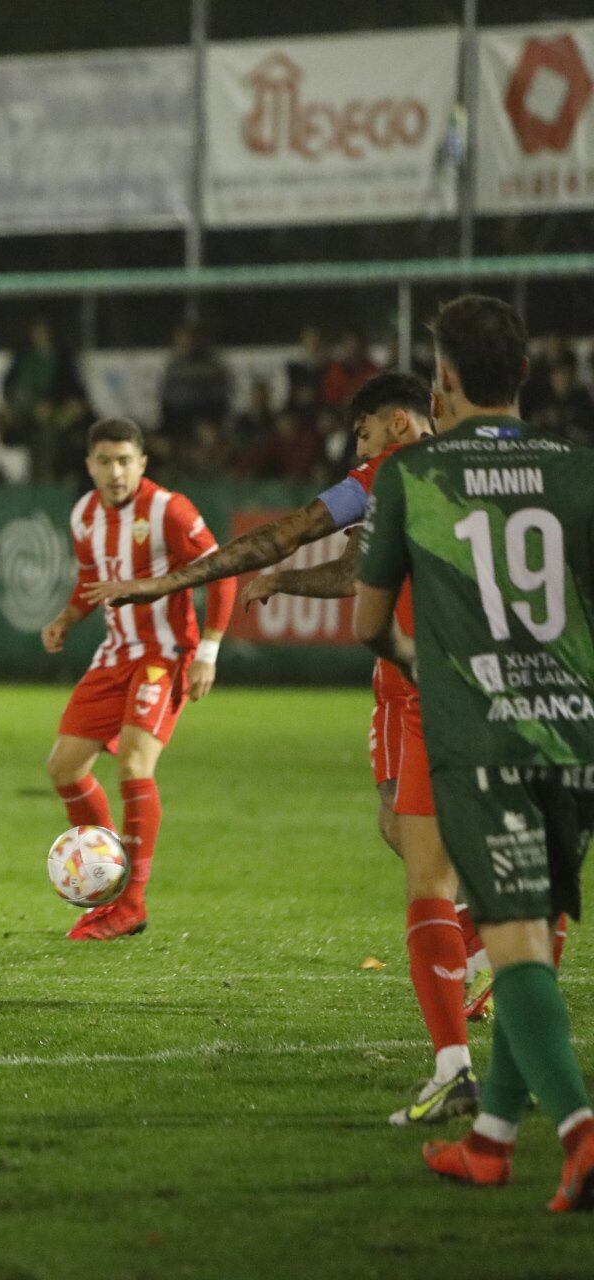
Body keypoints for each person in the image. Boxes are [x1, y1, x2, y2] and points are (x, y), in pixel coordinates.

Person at [86, 372, 500, 1124]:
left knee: (428, 870)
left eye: (364, 431)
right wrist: (287, 581)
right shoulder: (474, 471)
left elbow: (289, 527)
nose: (358, 448)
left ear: (399, 422)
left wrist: (169, 582)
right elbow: (355, 567)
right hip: (439, 678)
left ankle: (466, 1038)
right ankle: (486, 954)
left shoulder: (389, 473)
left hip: (430, 677)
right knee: (398, 827)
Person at [355, 294, 592, 1212]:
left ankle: (578, 1133)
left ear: (445, 380)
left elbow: (373, 623)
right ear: (528, 373)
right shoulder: (577, 471)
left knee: (515, 942)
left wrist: (429, 664)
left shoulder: (412, 476)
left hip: (481, 730)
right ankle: (492, 1139)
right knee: (537, 932)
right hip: (573, 727)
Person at [40, 418, 236, 941]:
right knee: (63, 768)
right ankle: (107, 881)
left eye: (125, 460)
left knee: (133, 762)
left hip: (165, 653)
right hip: (115, 652)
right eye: (104, 461)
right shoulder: (83, 514)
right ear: (89, 466)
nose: (115, 471)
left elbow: (222, 571)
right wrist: (65, 618)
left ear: (142, 464)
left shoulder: (169, 509)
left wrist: (208, 652)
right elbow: (90, 582)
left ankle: (131, 904)